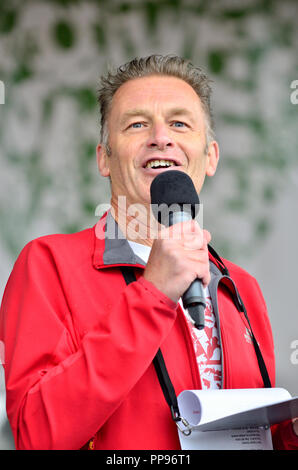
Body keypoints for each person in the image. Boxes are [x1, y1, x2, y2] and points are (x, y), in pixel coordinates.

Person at [0, 54, 297, 450]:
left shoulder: (240, 287)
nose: (161, 136)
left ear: (210, 157)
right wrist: (152, 293)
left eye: (179, 123)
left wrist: (290, 435)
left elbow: (257, 435)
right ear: (104, 157)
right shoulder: (48, 264)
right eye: (137, 124)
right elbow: (36, 436)